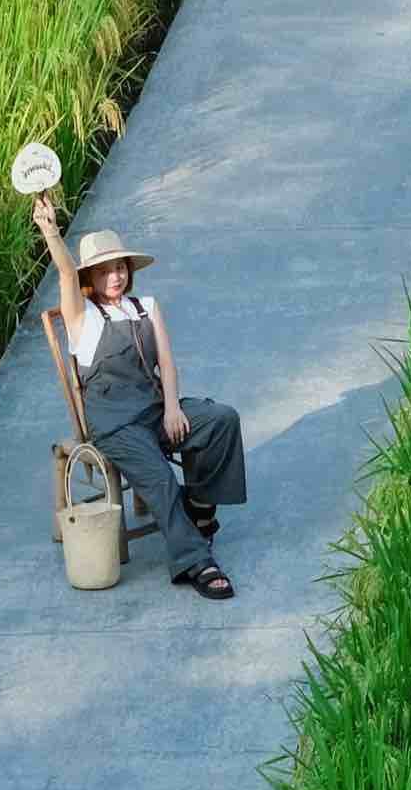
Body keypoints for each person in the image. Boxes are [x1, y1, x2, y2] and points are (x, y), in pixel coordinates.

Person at [29, 200, 249, 599]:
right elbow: (64, 270)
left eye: (119, 267)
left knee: (221, 419)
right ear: (89, 278)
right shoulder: (83, 318)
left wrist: (171, 407)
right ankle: (196, 561)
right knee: (160, 480)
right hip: (115, 424)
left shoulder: (145, 306)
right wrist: (51, 233)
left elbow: (166, 361)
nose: (114, 276)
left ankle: (200, 509)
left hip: (154, 411)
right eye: (103, 270)